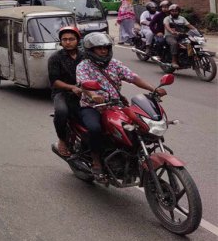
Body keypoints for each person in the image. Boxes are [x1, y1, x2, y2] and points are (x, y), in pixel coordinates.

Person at [76, 33, 166, 182]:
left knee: (139, 126)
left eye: (106, 47)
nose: (103, 51)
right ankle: (96, 161)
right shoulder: (83, 66)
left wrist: (153, 89)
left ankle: (131, 155)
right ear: (90, 50)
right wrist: (93, 96)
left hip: (116, 105)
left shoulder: (115, 64)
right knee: (95, 129)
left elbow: (133, 77)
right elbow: (84, 84)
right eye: (99, 48)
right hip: (93, 106)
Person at [48, 26, 84, 157]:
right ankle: (62, 140)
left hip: (85, 92)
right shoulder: (55, 58)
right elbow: (55, 81)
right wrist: (72, 87)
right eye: (64, 39)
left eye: (71, 39)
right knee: (62, 112)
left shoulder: (85, 56)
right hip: (62, 93)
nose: (68, 42)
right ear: (61, 42)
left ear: (78, 40)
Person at [163, 4, 199, 68]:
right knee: (174, 43)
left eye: (176, 11)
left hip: (181, 35)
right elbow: (167, 26)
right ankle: (174, 61)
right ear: (170, 12)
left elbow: (189, 25)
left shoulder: (182, 18)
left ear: (178, 11)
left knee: (190, 43)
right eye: (172, 11)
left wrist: (197, 31)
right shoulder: (167, 18)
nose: (174, 12)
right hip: (170, 36)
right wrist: (172, 32)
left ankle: (190, 59)